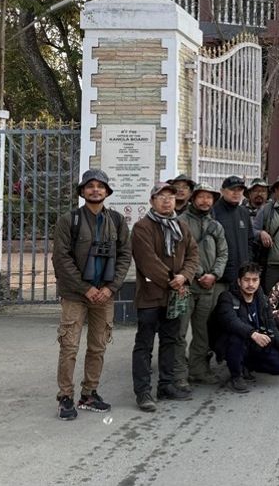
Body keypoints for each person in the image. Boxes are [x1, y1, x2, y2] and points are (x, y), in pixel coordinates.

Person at [51, 169, 132, 420]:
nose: (95, 190)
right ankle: (65, 396)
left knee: (98, 347)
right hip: (76, 295)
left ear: (107, 192)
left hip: (105, 295)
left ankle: (89, 393)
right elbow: (61, 258)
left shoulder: (117, 221)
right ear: (82, 191)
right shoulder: (70, 220)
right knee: (69, 346)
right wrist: (85, 288)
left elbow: (124, 256)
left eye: (100, 186)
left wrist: (109, 288)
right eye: (90, 186)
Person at [131, 183, 199, 412]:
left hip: (175, 296)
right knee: (144, 344)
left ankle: (166, 385)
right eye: (161, 197)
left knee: (170, 341)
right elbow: (147, 261)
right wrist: (173, 280)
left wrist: (185, 276)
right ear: (152, 201)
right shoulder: (142, 227)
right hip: (151, 296)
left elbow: (193, 254)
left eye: (171, 197)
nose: (167, 201)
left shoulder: (181, 226)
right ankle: (143, 392)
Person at [175, 183, 228, 388]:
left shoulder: (216, 226)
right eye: (201, 197)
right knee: (179, 332)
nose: (205, 201)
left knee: (203, 331)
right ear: (193, 198)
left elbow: (223, 253)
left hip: (208, 288)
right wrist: (197, 275)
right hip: (186, 286)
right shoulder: (180, 222)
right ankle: (178, 373)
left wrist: (214, 274)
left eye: (209, 197)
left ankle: (198, 370)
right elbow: (178, 254)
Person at [213, 262, 279, 393]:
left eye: (255, 280)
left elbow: (271, 323)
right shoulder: (227, 297)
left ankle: (246, 364)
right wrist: (253, 334)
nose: (251, 284)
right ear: (239, 281)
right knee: (236, 335)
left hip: (254, 343)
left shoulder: (261, 299)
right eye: (246, 280)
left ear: (259, 281)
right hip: (231, 342)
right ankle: (236, 375)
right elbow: (231, 321)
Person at [212, 176, 254, 289]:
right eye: (232, 190)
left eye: (239, 190)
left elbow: (250, 241)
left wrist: (248, 262)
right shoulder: (213, 212)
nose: (236, 193)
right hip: (220, 278)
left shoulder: (244, 213)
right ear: (222, 191)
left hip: (242, 276)